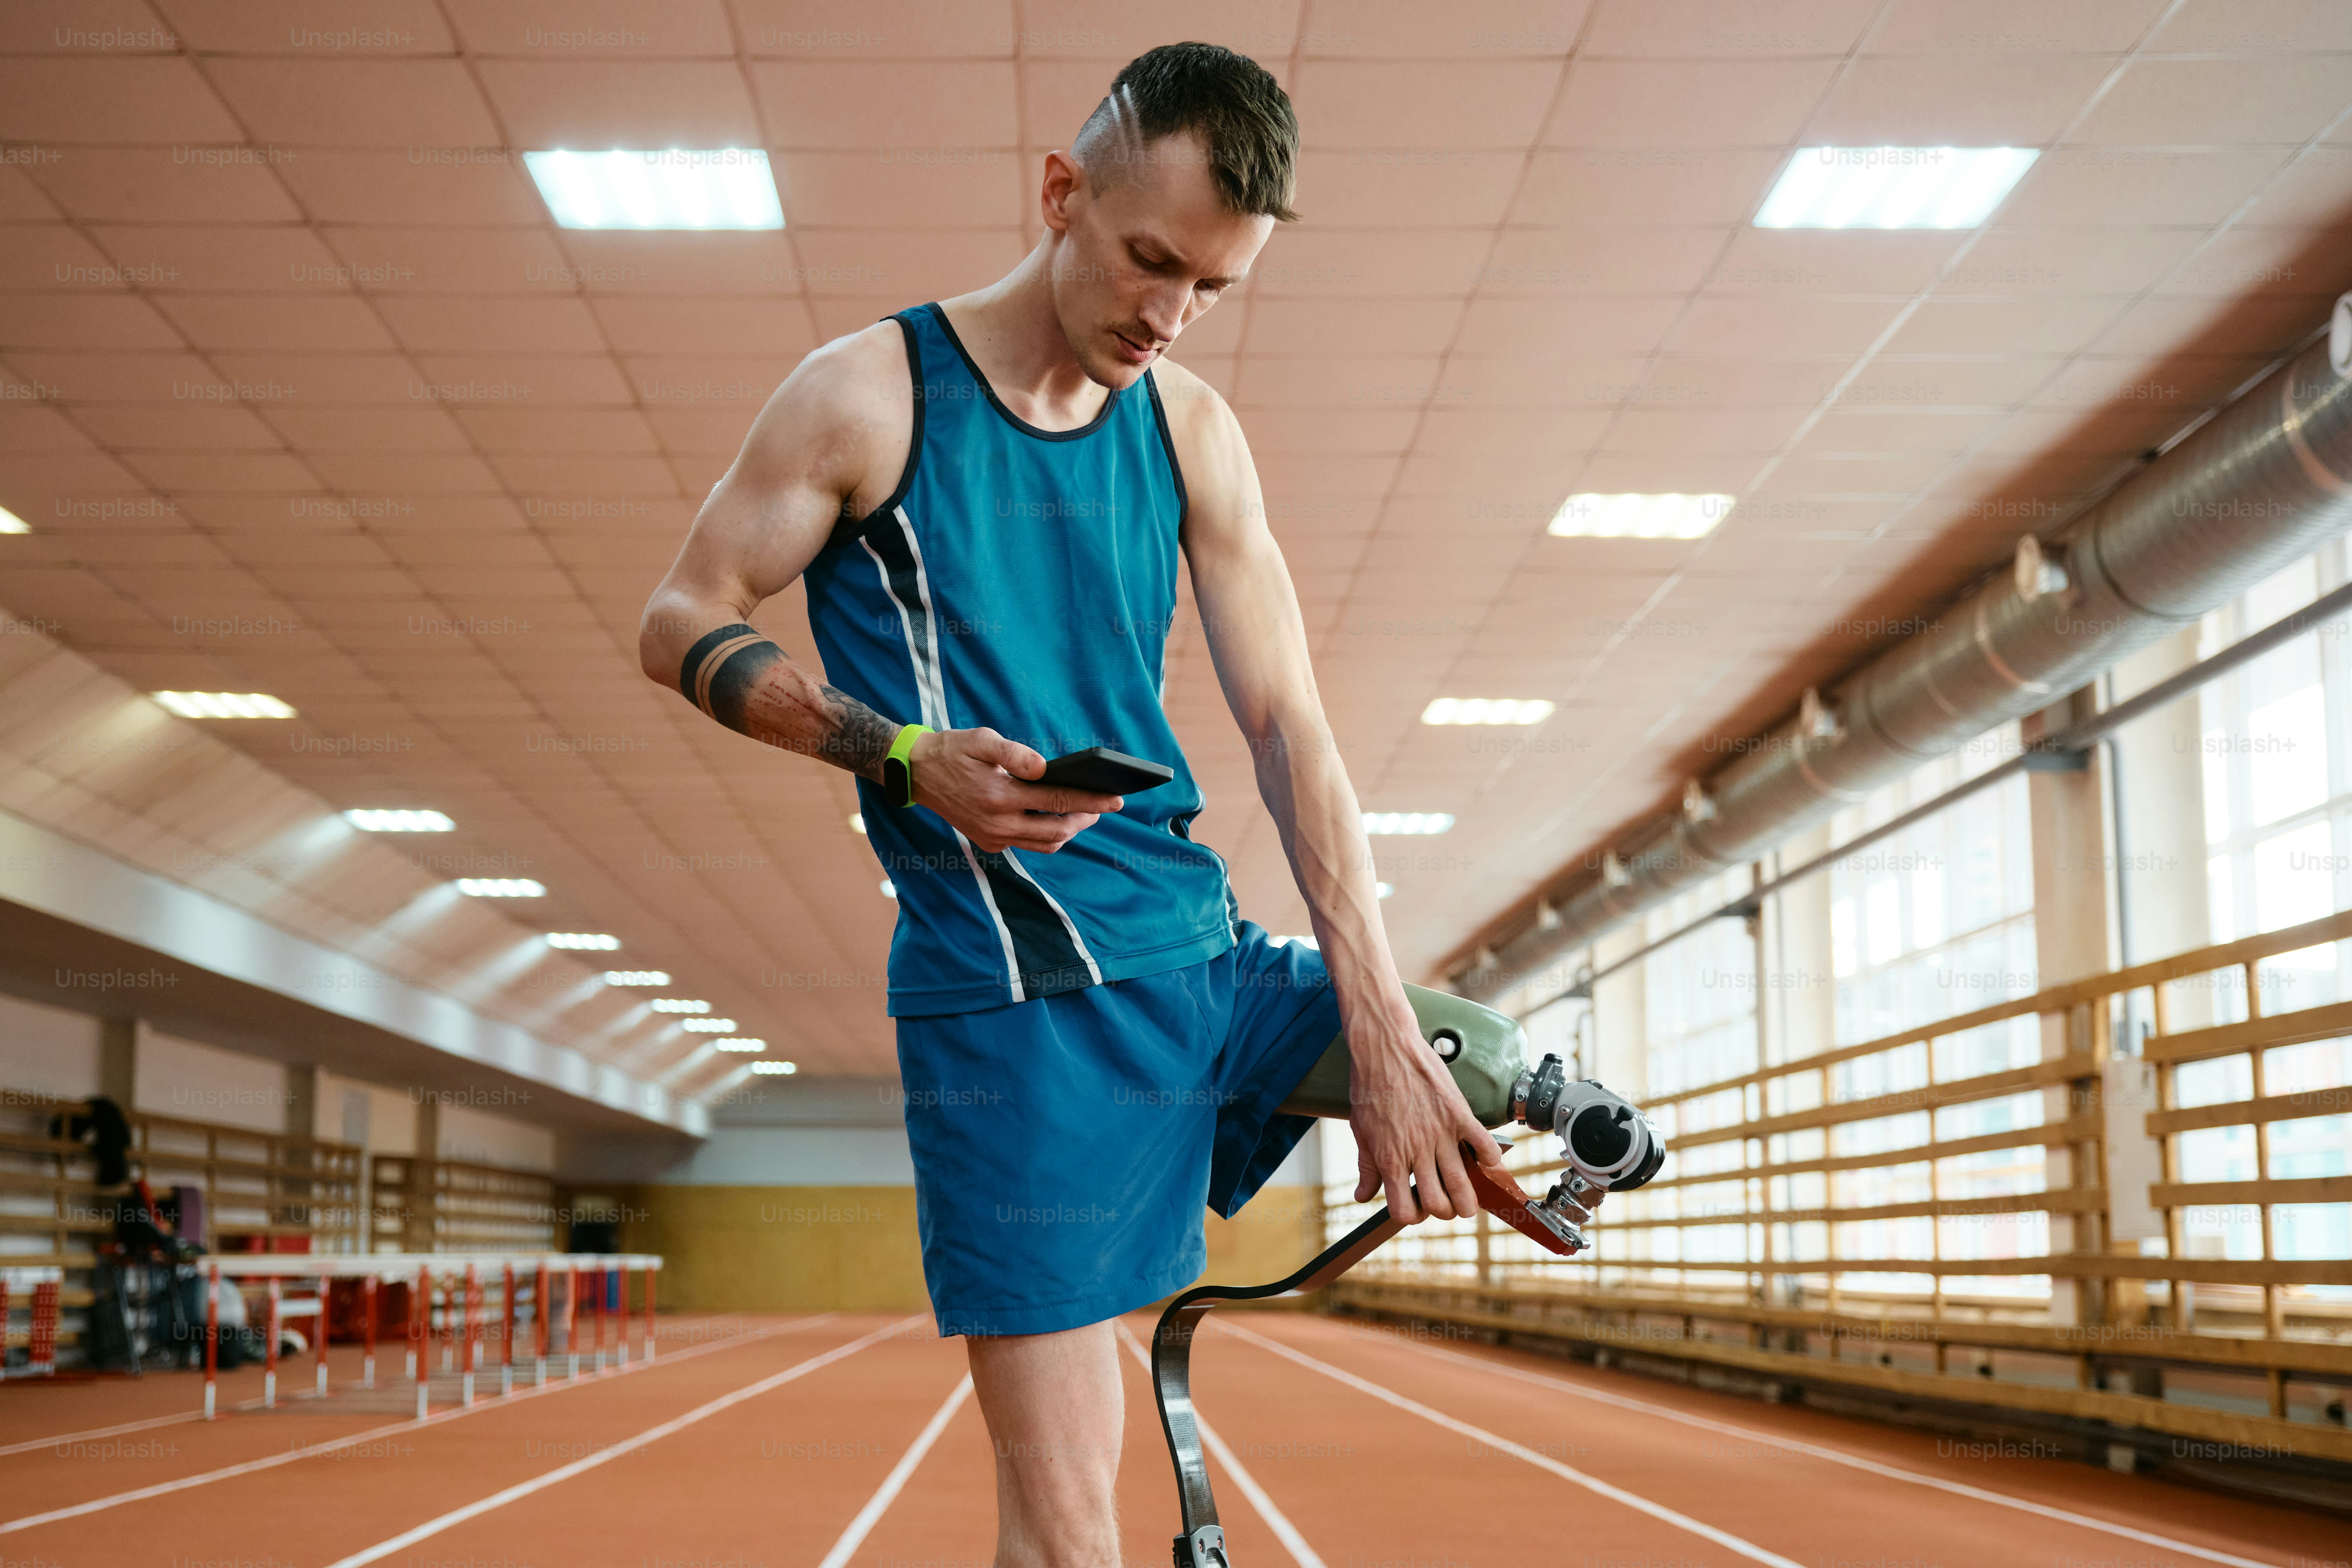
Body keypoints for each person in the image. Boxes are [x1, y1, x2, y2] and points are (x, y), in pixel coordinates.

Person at [640, 42, 1500, 1566]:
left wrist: (1376, 1032)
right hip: (1019, 1005)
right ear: (1060, 195)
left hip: (1197, 955)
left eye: (1209, 289)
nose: (1166, 315)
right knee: (1068, 1529)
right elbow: (680, 618)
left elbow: (1291, 727)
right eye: (1148, 259)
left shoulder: (1189, 431)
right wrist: (897, 754)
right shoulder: (864, 396)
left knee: (1488, 1065)